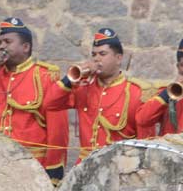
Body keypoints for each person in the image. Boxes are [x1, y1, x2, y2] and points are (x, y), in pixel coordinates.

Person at [0, 17, 69, 182]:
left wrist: (53, 174)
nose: (2, 46)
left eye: (8, 42)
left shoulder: (45, 77)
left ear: (25, 47)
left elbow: (57, 130)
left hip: (31, 166)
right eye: (0, 42)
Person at [44, 28, 150, 162]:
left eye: (102, 54)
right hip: (85, 166)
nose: (96, 59)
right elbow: (49, 103)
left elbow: (145, 141)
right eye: (94, 55)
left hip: (118, 166)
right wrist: (71, 79)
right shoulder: (83, 88)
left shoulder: (135, 92)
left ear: (118, 58)